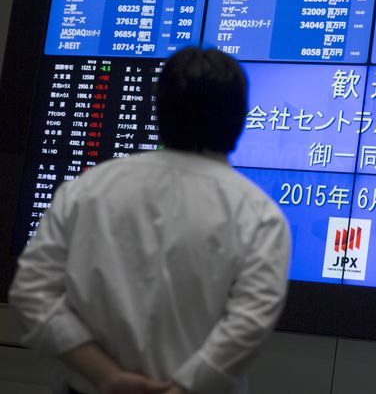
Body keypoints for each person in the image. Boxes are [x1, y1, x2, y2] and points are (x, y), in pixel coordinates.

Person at [10, 47, 291, 394]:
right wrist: (182, 388)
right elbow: (249, 324)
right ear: (241, 116)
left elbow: (31, 291)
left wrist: (106, 377)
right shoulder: (258, 214)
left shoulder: (86, 191)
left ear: (159, 108)